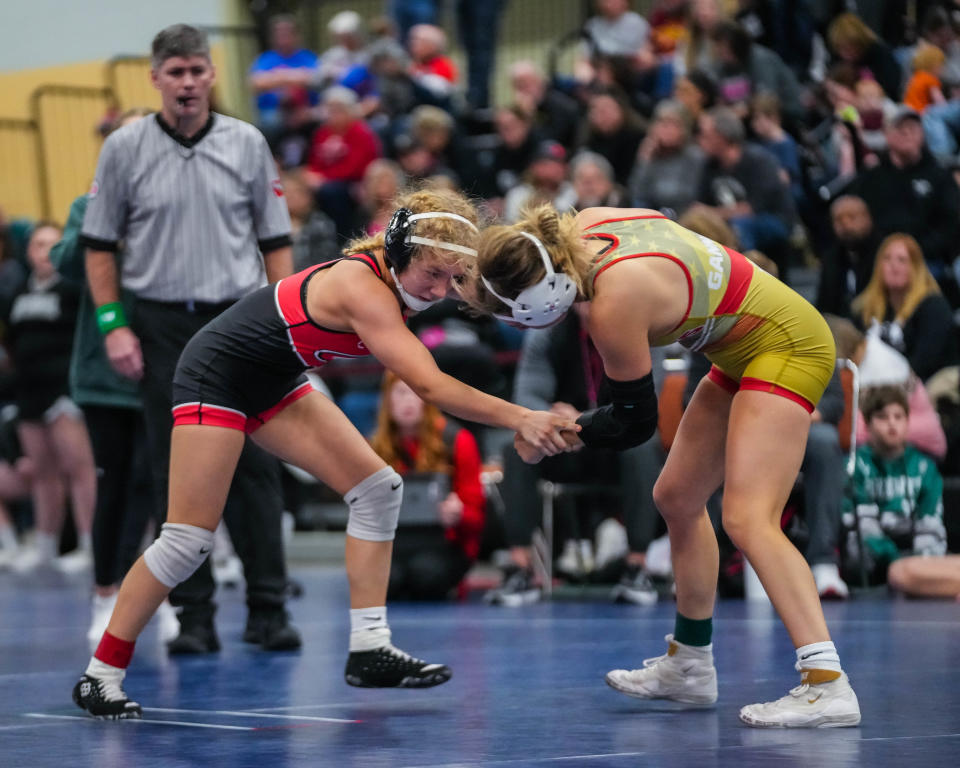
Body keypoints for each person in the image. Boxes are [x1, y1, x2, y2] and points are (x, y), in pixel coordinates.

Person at [71, 187, 577, 719]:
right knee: (187, 540)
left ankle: (369, 648)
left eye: (453, 277)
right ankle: (100, 675)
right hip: (215, 377)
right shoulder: (362, 289)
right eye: (433, 275)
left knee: (379, 490)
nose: (442, 290)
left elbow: (490, 293)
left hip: (273, 379)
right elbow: (430, 387)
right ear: (400, 254)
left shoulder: (406, 273)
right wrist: (525, 416)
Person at [467, 204, 861, 727]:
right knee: (676, 497)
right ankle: (691, 664)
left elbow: (634, 423)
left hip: (786, 343)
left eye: (514, 313)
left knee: (747, 518)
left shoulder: (613, 304)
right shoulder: (584, 225)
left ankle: (827, 681)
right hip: (743, 342)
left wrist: (553, 434)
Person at [80, 25, 299, 656]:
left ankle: (268, 610)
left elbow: (275, 242)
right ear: (155, 78)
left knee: (256, 463)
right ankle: (195, 618)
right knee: (175, 471)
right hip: (160, 322)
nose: (186, 83)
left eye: (196, 71)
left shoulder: (248, 142)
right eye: (174, 72)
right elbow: (99, 247)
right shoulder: (124, 148)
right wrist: (112, 325)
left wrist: (284, 322)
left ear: (211, 76)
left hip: (239, 318)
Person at [5, 221, 97, 574]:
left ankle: (90, 544)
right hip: (29, 391)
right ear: (27, 252)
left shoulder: (74, 290)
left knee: (80, 469)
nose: (44, 252)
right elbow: (13, 342)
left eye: (51, 245)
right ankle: (45, 546)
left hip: (63, 392)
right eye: (37, 245)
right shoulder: (17, 295)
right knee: (43, 472)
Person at [370, 371, 485, 600]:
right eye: (401, 392)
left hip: (444, 543)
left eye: (415, 393)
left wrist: (459, 513)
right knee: (386, 582)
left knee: (426, 576)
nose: (409, 401)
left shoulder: (457, 440)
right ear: (387, 400)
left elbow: (477, 517)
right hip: (395, 542)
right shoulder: (375, 447)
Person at [843, 385, 947, 587]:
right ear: (868, 424)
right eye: (882, 417)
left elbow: (931, 527)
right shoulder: (855, 465)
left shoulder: (925, 467)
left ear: (908, 422)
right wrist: (897, 561)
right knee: (858, 554)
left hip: (915, 554)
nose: (892, 424)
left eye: (898, 417)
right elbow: (862, 529)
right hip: (872, 555)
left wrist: (921, 561)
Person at [850, 233, 958, 383]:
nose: (894, 265)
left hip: (926, 386)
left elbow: (925, 362)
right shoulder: (865, 308)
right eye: (887, 258)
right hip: (872, 385)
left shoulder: (934, 307)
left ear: (916, 267)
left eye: (902, 260)